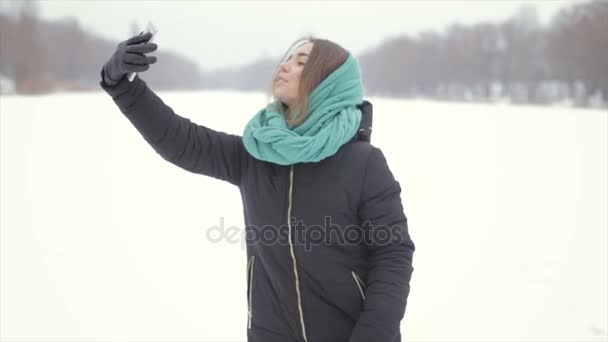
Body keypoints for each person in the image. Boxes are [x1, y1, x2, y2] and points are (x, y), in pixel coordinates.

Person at [100, 32, 416, 342]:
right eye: (287, 58)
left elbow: (393, 255)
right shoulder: (255, 155)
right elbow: (182, 141)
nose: (285, 65)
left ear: (327, 82)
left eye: (301, 61)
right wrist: (123, 87)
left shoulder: (363, 163)